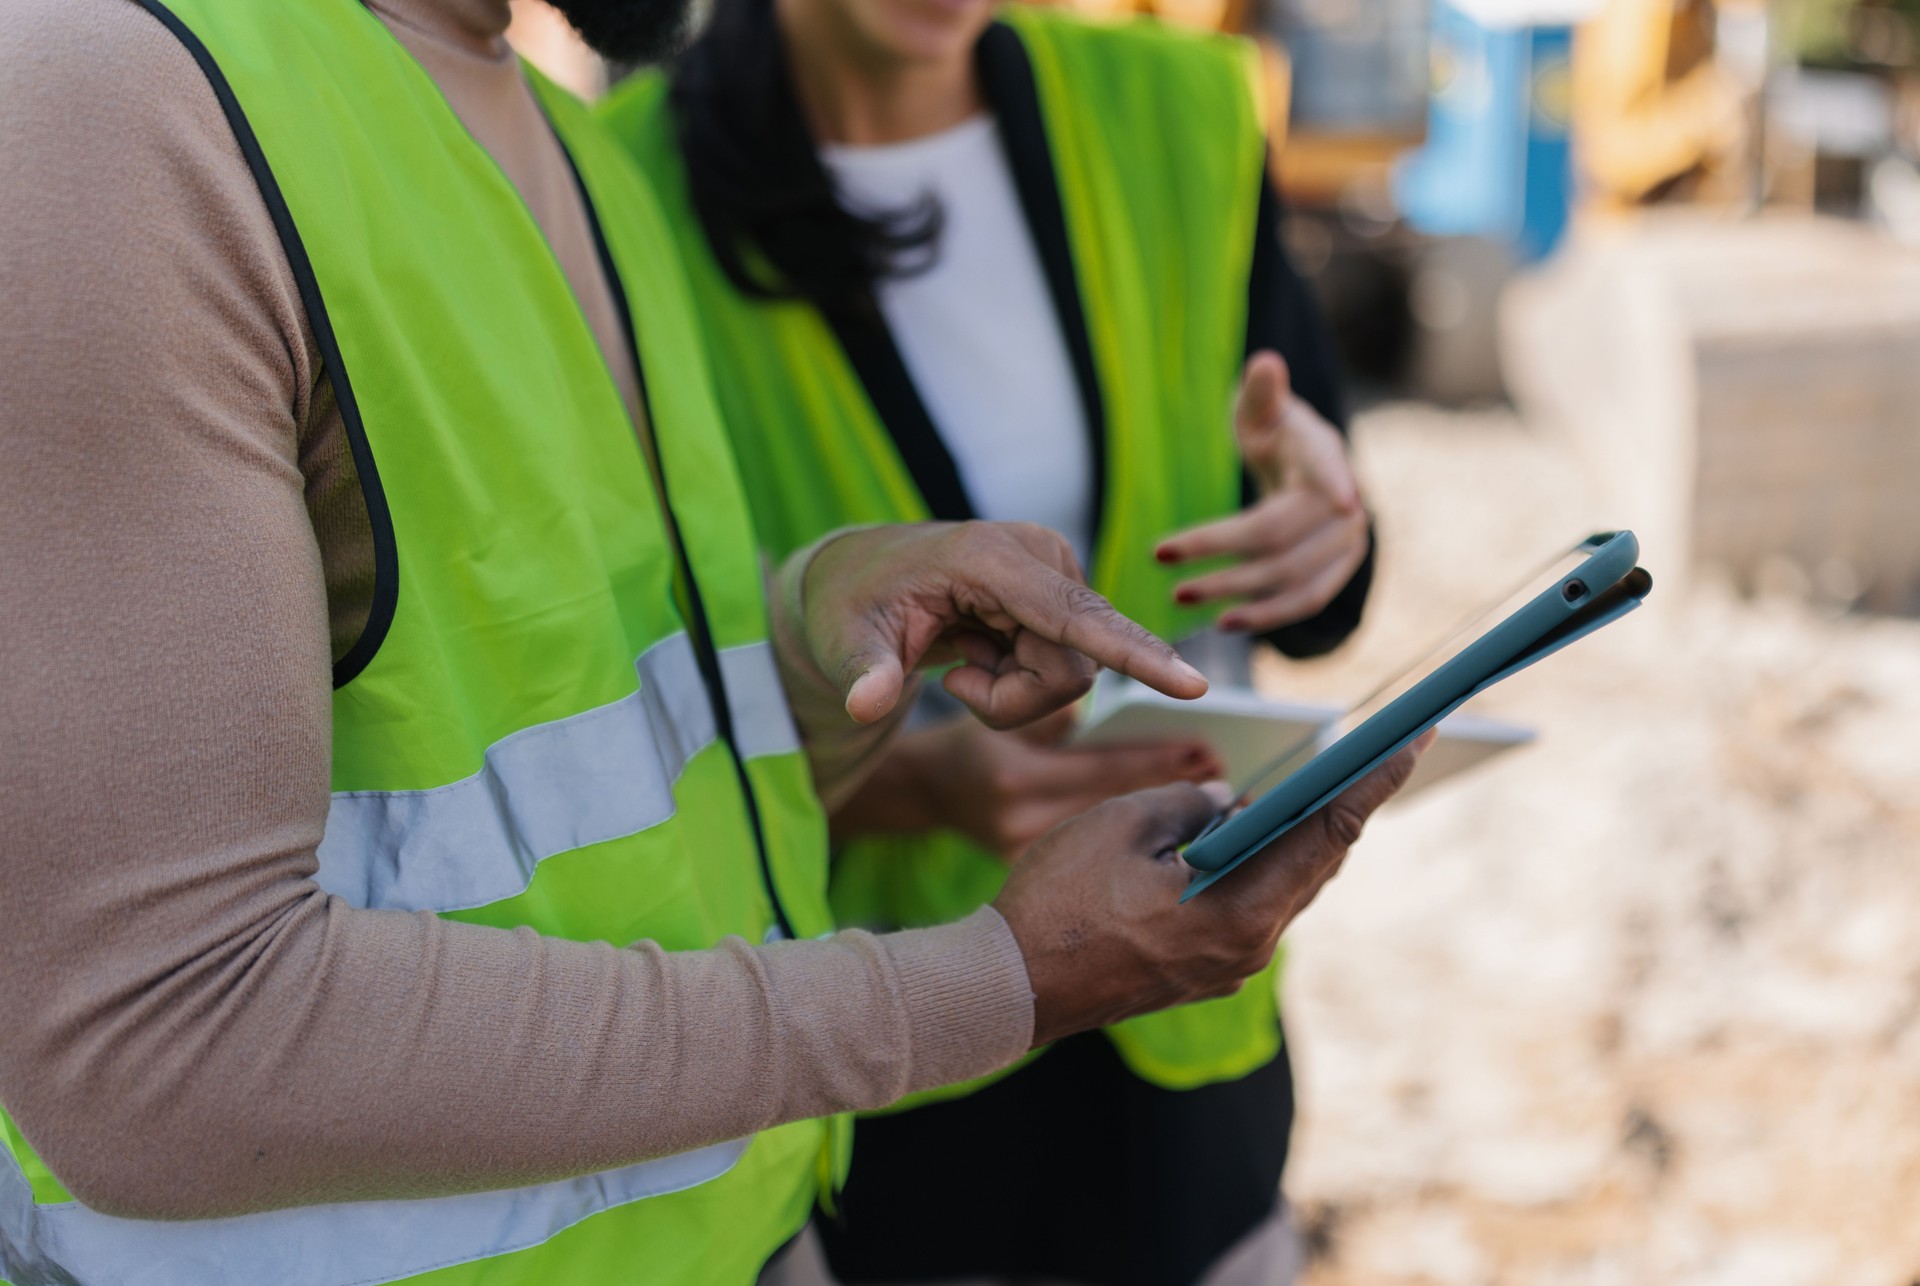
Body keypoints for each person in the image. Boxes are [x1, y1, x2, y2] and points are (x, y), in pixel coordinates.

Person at [0, 1, 1424, 1284]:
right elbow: (161, 1038)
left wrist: (816, 631)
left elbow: (579, 759)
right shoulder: (105, 106)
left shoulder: (559, 142)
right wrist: (991, 982)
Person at [600, 0, 1373, 1280]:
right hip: (886, 1058)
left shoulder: (1178, 111)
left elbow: (1315, 571)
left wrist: (1324, 531)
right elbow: (608, 687)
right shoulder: (611, 193)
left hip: (1184, 1026)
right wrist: (906, 786)